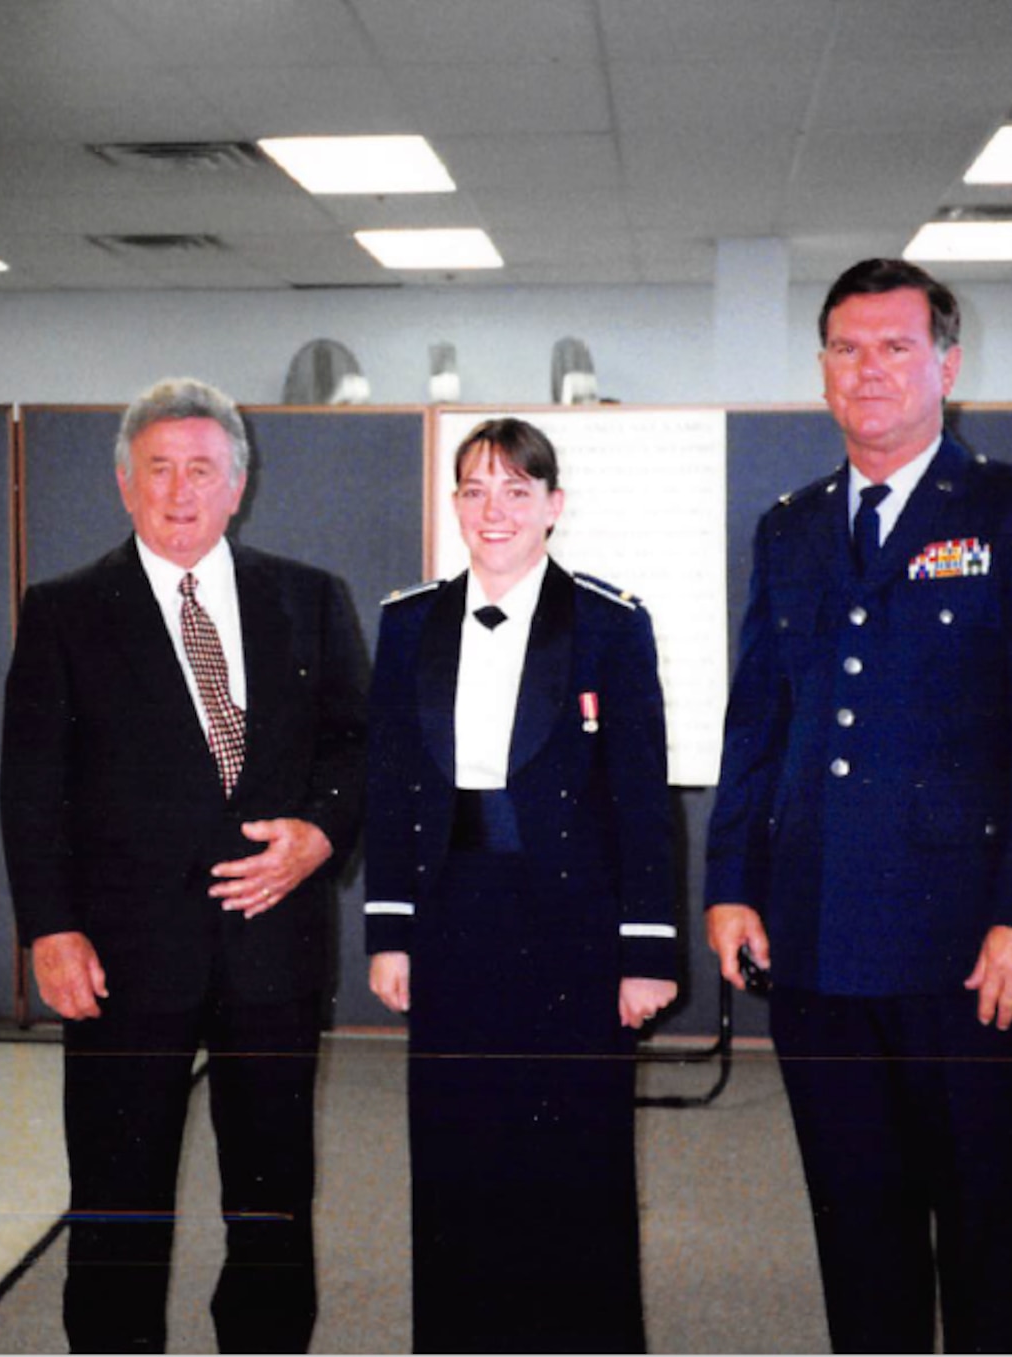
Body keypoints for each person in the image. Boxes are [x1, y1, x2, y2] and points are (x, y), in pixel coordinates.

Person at [705, 258, 1012, 1353]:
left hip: (967, 951)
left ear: (946, 362)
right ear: (821, 370)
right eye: (845, 347)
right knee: (857, 1233)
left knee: (983, 1236)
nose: (868, 368)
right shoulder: (788, 529)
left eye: (894, 345)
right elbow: (759, 719)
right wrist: (731, 883)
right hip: (817, 942)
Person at [0, 377, 367, 1354]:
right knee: (117, 1201)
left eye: (201, 468)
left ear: (237, 485)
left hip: (272, 950)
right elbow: (29, 783)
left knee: (273, 1195)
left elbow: (356, 746)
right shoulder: (64, 611)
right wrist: (49, 924)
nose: (178, 489)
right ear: (124, 483)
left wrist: (321, 835)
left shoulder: (310, 598)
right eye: (157, 468)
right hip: (121, 958)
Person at [366, 417, 680, 1353]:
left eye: (514, 489)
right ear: (455, 505)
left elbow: (640, 796)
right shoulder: (408, 620)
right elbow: (389, 785)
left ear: (553, 505)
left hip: (570, 929)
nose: (493, 510)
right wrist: (389, 931)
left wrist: (646, 951)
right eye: (473, 489)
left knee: (573, 1156)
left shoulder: (610, 622)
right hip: (452, 915)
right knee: (458, 1152)